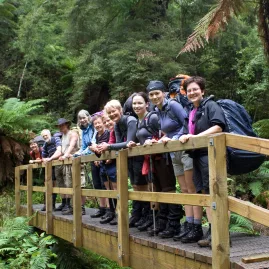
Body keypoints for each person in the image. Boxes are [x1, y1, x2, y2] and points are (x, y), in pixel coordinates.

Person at [179, 76, 226, 246]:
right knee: (205, 194)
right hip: (197, 156)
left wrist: (195, 137)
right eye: (189, 90)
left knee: (213, 192)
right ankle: (213, 232)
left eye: (195, 89)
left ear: (202, 91)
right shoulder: (192, 111)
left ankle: (219, 234)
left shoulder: (211, 105)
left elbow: (218, 126)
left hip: (210, 155)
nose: (192, 93)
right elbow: (186, 133)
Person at [127, 92, 181, 236]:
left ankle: (174, 223)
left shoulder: (153, 117)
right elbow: (147, 138)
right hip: (151, 160)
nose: (136, 106)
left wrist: (155, 140)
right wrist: (137, 143)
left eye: (139, 103)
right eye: (134, 104)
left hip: (163, 158)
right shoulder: (140, 121)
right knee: (158, 190)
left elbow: (165, 133)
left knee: (168, 189)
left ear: (146, 104)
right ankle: (162, 222)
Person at [147, 80, 194, 239]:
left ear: (164, 93)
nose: (154, 97)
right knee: (184, 189)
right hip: (174, 152)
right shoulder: (158, 110)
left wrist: (176, 137)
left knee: (191, 188)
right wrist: (161, 139)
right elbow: (169, 129)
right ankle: (188, 224)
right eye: (151, 94)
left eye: (157, 93)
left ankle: (195, 226)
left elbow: (186, 122)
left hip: (185, 148)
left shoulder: (173, 105)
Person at [97, 100, 150, 228]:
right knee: (135, 186)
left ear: (120, 110)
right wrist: (109, 147)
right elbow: (120, 143)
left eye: (114, 111)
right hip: (129, 158)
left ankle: (147, 216)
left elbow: (129, 142)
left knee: (141, 186)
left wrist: (109, 146)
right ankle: (137, 215)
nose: (112, 114)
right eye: (109, 113)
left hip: (138, 156)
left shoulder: (130, 120)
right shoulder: (116, 125)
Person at [74, 110, 107, 219]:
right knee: (97, 184)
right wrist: (78, 154)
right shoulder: (83, 130)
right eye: (80, 118)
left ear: (88, 117)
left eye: (84, 117)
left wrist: (85, 153)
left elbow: (93, 142)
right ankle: (102, 208)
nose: (82, 120)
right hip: (92, 157)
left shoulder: (93, 126)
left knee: (104, 184)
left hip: (98, 155)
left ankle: (107, 209)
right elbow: (84, 146)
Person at [90, 114, 117, 225]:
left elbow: (110, 146)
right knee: (108, 189)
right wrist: (94, 150)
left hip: (112, 163)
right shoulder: (97, 136)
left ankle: (117, 213)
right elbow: (99, 152)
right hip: (103, 164)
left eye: (99, 123)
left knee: (115, 189)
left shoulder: (108, 133)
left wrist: (95, 148)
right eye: (95, 124)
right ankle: (110, 212)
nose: (98, 125)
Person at [54, 118, 79, 215]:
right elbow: (61, 150)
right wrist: (51, 158)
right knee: (62, 182)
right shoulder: (62, 136)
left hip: (71, 160)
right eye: (59, 126)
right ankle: (64, 203)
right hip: (63, 160)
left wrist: (65, 155)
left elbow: (72, 145)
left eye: (62, 125)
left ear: (67, 125)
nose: (60, 127)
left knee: (69, 182)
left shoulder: (72, 133)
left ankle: (69, 204)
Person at [41, 129, 62, 211]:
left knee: (55, 184)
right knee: (48, 184)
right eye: (43, 136)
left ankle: (52, 205)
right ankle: (46, 204)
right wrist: (45, 159)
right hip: (50, 165)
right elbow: (44, 156)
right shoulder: (45, 144)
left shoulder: (56, 139)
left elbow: (59, 151)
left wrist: (50, 158)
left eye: (46, 135)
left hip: (58, 163)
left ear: (50, 134)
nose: (45, 137)